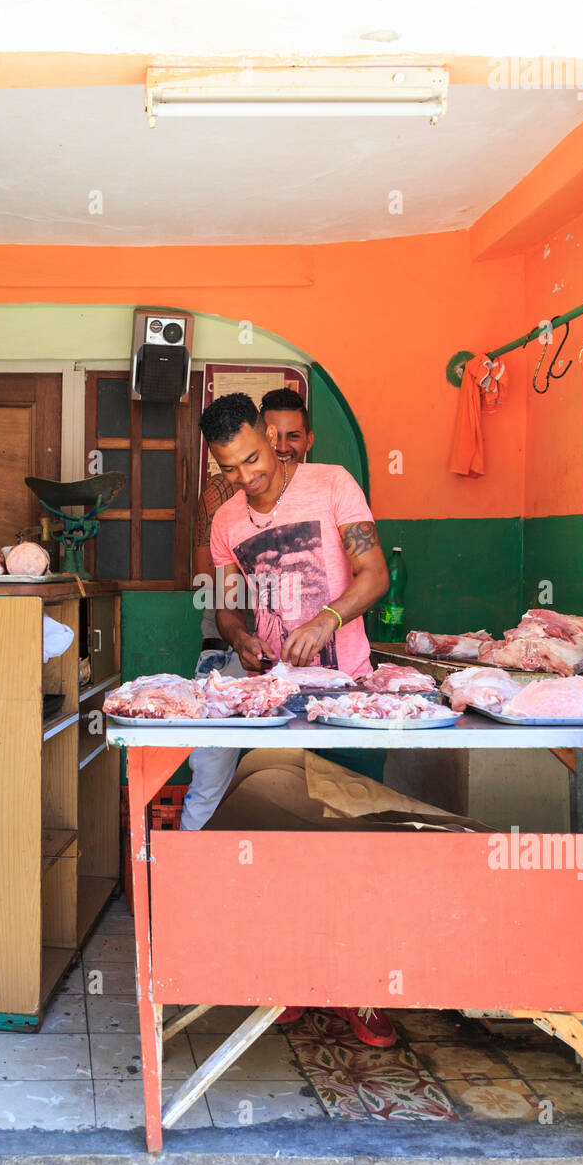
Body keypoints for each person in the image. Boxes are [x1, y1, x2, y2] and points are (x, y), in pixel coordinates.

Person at [201, 391, 398, 1049]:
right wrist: (239, 639)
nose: (247, 477)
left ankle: (362, 992)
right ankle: (286, 981)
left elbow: (374, 575)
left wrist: (328, 619)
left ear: (271, 437)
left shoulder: (332, 485)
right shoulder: (227, 522)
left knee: (355, 846)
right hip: (274, 702)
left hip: (349, 700)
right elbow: (228, 608)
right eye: (230, 468)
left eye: (253, 458)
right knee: (281, 846)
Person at [180, 388, 313, 832]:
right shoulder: (223, 497)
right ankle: (189, 877)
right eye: (274, 435)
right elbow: (211, 586)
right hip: (231, 652)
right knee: (212, 772)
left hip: (306, 659)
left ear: (306, 440)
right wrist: (246, 631)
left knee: (301, 775)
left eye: (291, 436)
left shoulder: (322, 492)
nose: (281, 446)